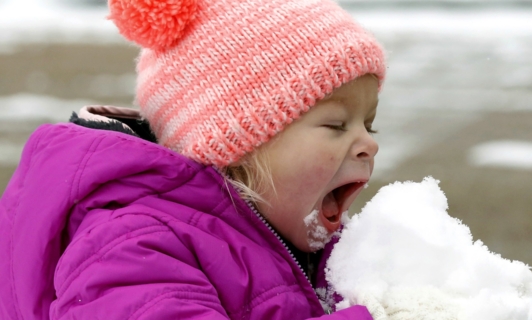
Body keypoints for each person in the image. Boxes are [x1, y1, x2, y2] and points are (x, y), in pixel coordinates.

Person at [0, 0, 386, 319]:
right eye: (336, 124)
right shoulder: (136, 246)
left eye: (369, 124)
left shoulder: (312, 238)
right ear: (236, 147)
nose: (368, 143)